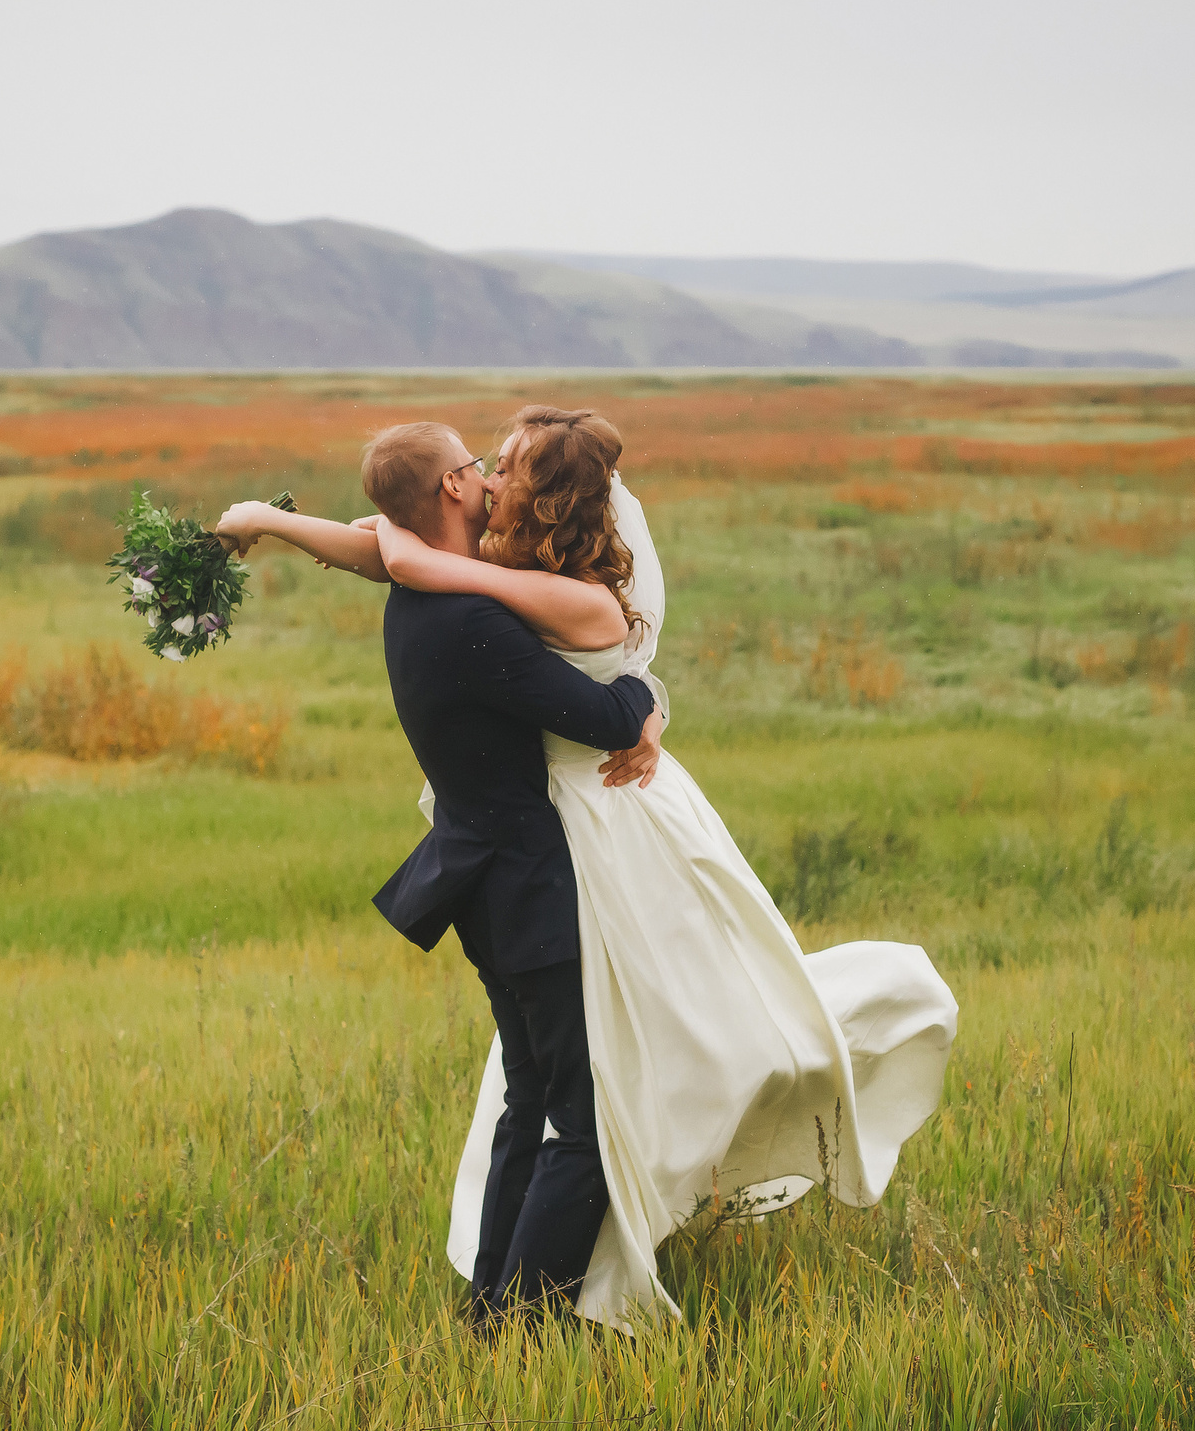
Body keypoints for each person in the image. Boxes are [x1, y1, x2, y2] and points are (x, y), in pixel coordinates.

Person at [215, 407, 956, 1330]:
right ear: (454, 487)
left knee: (544, 1097)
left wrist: (299, 527)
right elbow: (596, 709)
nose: (490, 473)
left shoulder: (457, 584)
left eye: (507, 462)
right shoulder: (475, 605)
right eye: (480, 463)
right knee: (584, 1115)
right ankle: (519, 1322)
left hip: (530, 860)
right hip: (542, 870)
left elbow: (406, 558)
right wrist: (639, 704)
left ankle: (495, 1311)